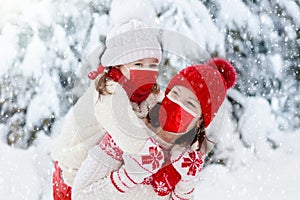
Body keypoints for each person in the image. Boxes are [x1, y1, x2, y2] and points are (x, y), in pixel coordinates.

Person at [71, 58, 237, 200]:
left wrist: (185, 186)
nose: (178, 103)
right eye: (176, 93)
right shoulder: (130, 134)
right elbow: (80, 196)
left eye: (190, 104)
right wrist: (128, 176)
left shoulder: (184, 162)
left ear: (201, 120)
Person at [51, 19, 162, 200]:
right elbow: (129, 135)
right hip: (73, 177)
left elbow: (169, 115)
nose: (147, 71)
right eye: (138, 64)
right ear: (118, 65)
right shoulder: (108, 91)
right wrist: (156, 154)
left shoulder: (146, 92)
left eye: (153, 65)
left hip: (100, 176)